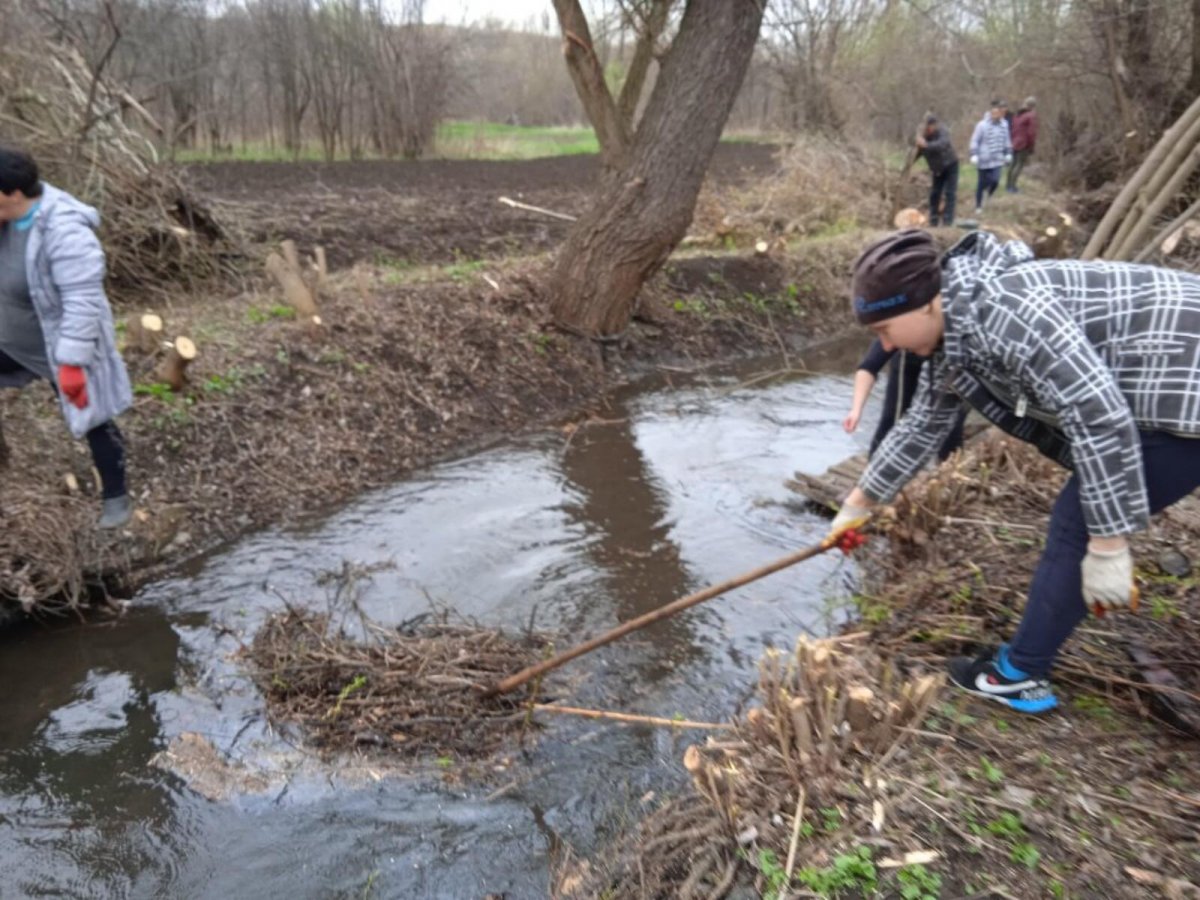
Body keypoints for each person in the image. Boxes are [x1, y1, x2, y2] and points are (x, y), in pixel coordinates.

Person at [829, 228, 1200, 713]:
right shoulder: (959, 330)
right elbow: (922, 424)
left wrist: (1110, 545)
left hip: (1186, 387)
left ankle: (1021, 674)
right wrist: (858, 505)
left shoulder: (1005, 312)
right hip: (1170, 394)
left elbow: (1098, 414)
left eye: (884, 331)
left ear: (925, 304)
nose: (886, 346)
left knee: (1079, 519)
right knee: (1083, 516)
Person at [0, 146, 133, 528]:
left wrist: (72, 363)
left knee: (95, 418)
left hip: (62, 344)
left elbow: (82, 300)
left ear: (13, 193)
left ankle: (116, 499)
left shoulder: (64, 229)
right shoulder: (6, 219)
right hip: (12, 340)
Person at [842, 338, 966, 462]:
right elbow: (869, 366)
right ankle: (875, 465)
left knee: (951, 423)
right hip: (908, 363)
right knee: (892, 419)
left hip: (948, 363)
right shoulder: (900, 331)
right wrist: (856, 410)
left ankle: (950, 470)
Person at [968, 100, 1012, 216]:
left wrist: (1008, 152)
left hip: (997, 159)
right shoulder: (982, 125)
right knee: (981, 183)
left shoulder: (1004, 125)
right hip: (983, 159)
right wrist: (974, 154)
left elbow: (1006, 140)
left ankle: (989, 193)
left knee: (995, 180)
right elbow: (975, 140)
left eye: (998, 113)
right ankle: (978, 205)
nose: (996, 115)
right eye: (994, 113)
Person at [914, 114, 958, 227]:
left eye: (931, 126)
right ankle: (933, 219)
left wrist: (926, 145)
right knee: (934, 193)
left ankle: (948, 220)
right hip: (937, 169)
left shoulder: (942, 131)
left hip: (950, 165)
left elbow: (942, 144)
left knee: (950, 193)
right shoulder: (923, 137)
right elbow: (917, 153)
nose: (930, 129)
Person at [1006, 97, 1038, 193]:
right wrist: (1031, 145)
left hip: (1014, 142)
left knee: (1012, 164)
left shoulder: (1018, 114)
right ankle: (1012, 187)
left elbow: (1012, 128)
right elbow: (1031, 133)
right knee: (1019, 164)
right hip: (1023, 143)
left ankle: (1008, 186)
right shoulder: (1031, 115)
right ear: (1033, 106)